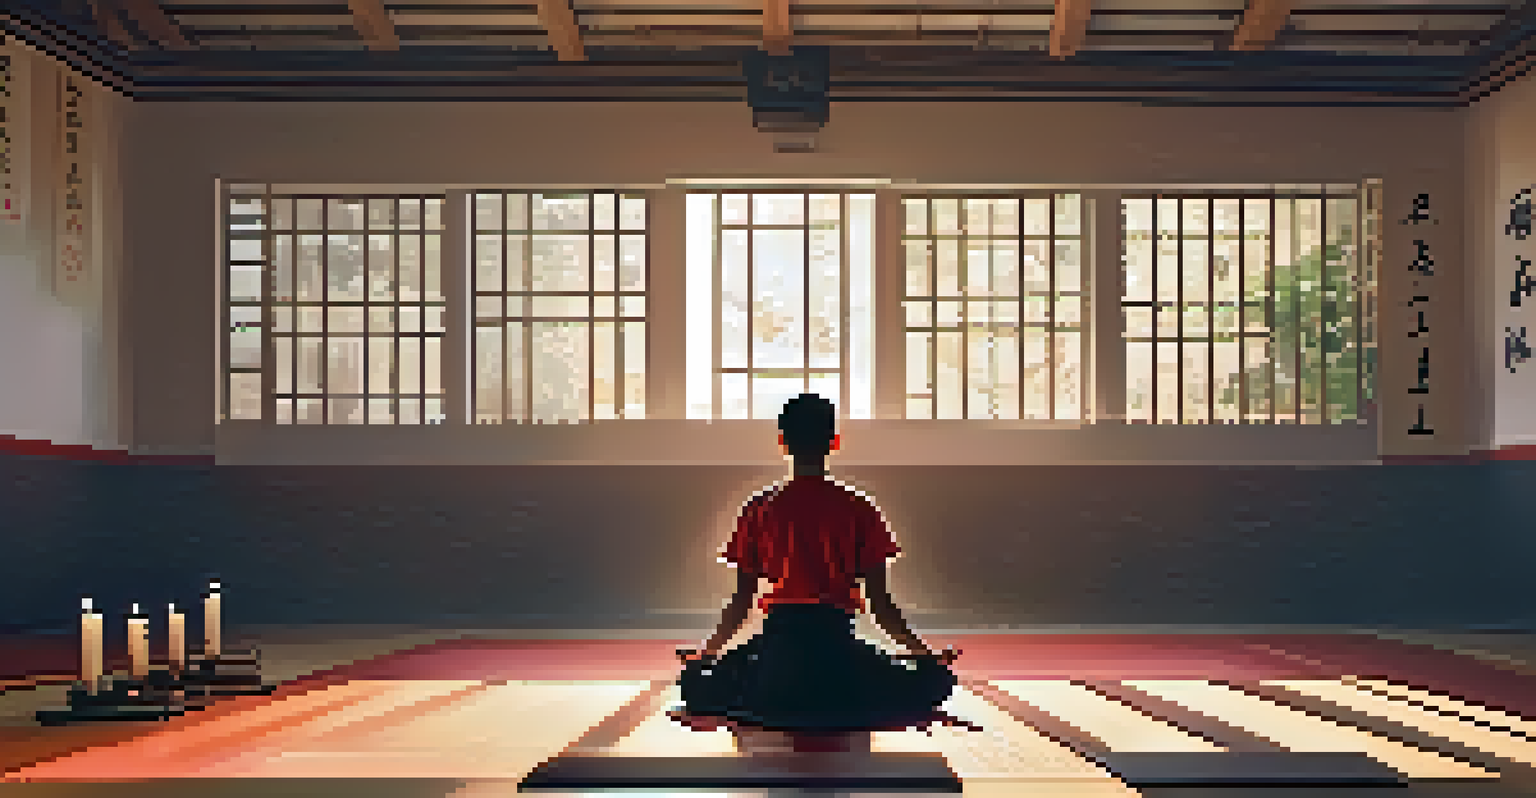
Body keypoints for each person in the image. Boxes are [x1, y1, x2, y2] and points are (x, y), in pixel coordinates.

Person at [670, 393, 974, 745]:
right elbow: (881, 604)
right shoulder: (859, 508)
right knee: (935, 682)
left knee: (695, 684)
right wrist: (923, 654)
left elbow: (742, 601)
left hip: (778, 651)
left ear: (782, 442)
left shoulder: (759, 508)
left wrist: (707, 653)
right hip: (838, 651)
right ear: (835, 441)